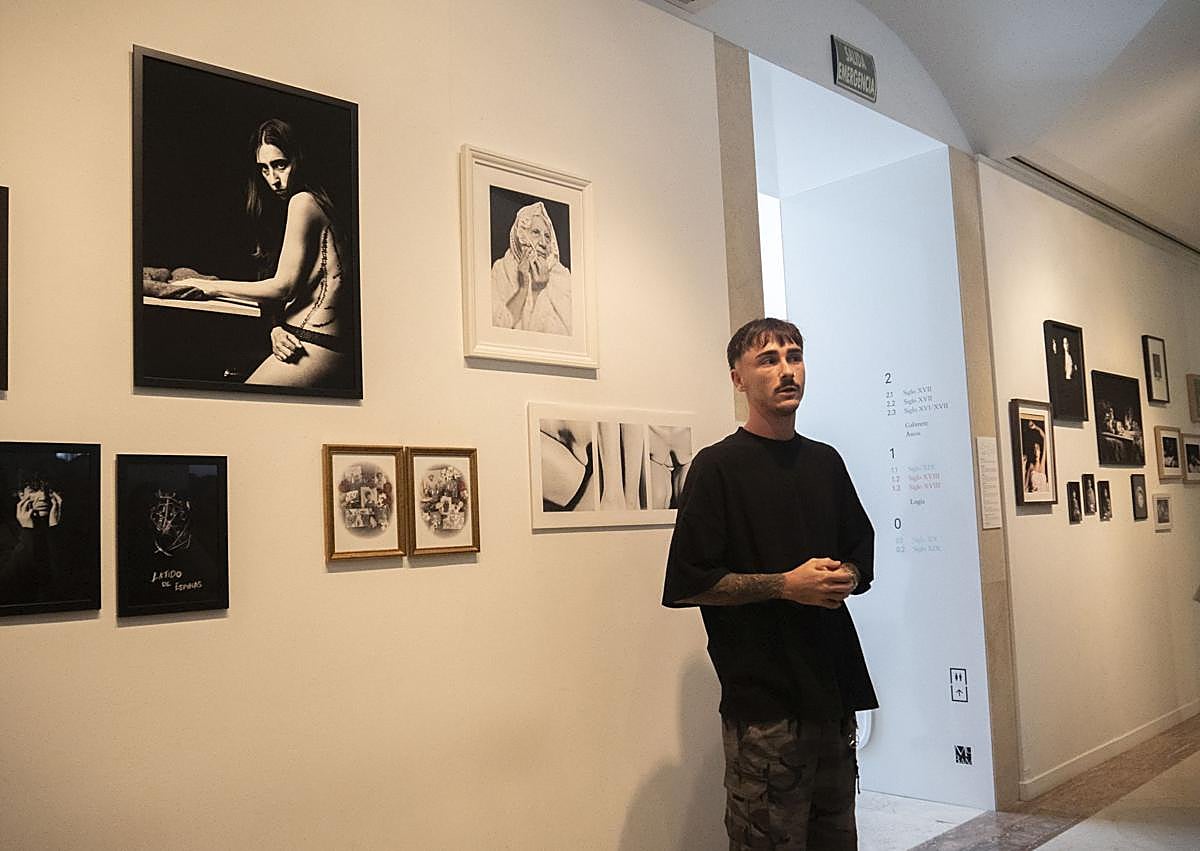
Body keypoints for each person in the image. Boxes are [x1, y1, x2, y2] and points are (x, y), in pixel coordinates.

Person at [662, 317, 876, 850]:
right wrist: (785, 585)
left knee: (836, 840)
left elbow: (861, 556)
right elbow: (690, 582)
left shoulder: (826, 462)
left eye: (794, 356)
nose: (787, 371)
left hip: (831, 693)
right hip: (764, 707)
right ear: (738, 379)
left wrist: (844, 576)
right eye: (769, 359)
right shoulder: (716, 469)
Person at [180, 118, 352, 388]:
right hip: (299, 335)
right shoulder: (308, 205)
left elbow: (282, 287)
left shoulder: (303, 202)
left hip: (318, 341)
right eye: (264, 169)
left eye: (280, 165)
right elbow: (297, 286)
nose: (273, 179)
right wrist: (275, 328)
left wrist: (209, 288)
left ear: (299, 159)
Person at [491, 201, 572, 334]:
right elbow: (497, 328)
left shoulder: (562, 276)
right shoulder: (501, 269)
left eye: (547, 236)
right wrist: (525, 288)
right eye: (535, 232)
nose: (544, 243)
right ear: (521, 235)